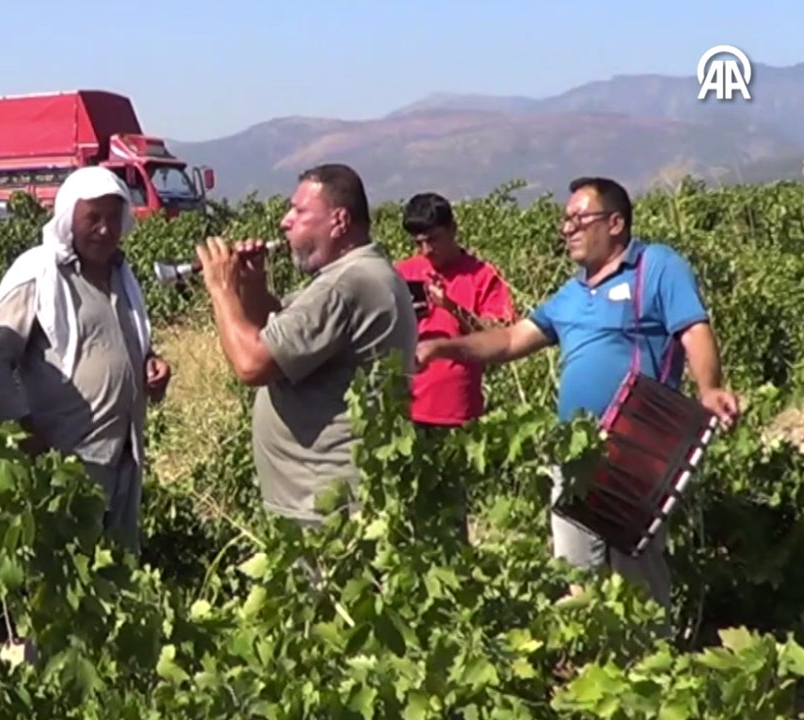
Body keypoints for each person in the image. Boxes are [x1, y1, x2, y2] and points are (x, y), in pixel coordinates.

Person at [416, 176, 740, 611]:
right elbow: (511, 340)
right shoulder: (571, 293)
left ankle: (651, 666)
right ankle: (593, 666)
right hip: (572, 452)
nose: (567, 228)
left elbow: (692, 328)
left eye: (579, 219)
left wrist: (709, 387)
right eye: (565, 220)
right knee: (575, 571)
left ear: (615, 223)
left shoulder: (655, 266)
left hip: (638, 446)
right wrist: (443, 348)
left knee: (634, 571)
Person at [194, 163, 419, 526]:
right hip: (327, 500)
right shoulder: (356, 275)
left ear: (339, 221)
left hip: (322, 507)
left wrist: (222, 288)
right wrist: (252, 288)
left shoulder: (343, 285)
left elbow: (251, 363)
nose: (285, 221)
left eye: (299, 211)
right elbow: (286, 336)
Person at [0, 166, 171, 554]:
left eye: (113, 219)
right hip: (68, 460)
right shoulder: (40, 274)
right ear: (68, 219)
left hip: (123, 453)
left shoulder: (121, 276)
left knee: (116, 568)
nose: (104, 229)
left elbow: (121, 341)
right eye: (92, 218)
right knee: (71, 572)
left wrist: (150, 361)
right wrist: (22, 427)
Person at [396, 192, 516, 429]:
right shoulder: (401, 273)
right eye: (418, 243)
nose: (426, 250)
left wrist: (451, 307)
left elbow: (499, 337)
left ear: (453, 229)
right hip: (405, 411)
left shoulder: (483, 276)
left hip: (458, 412)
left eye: (433, 240)